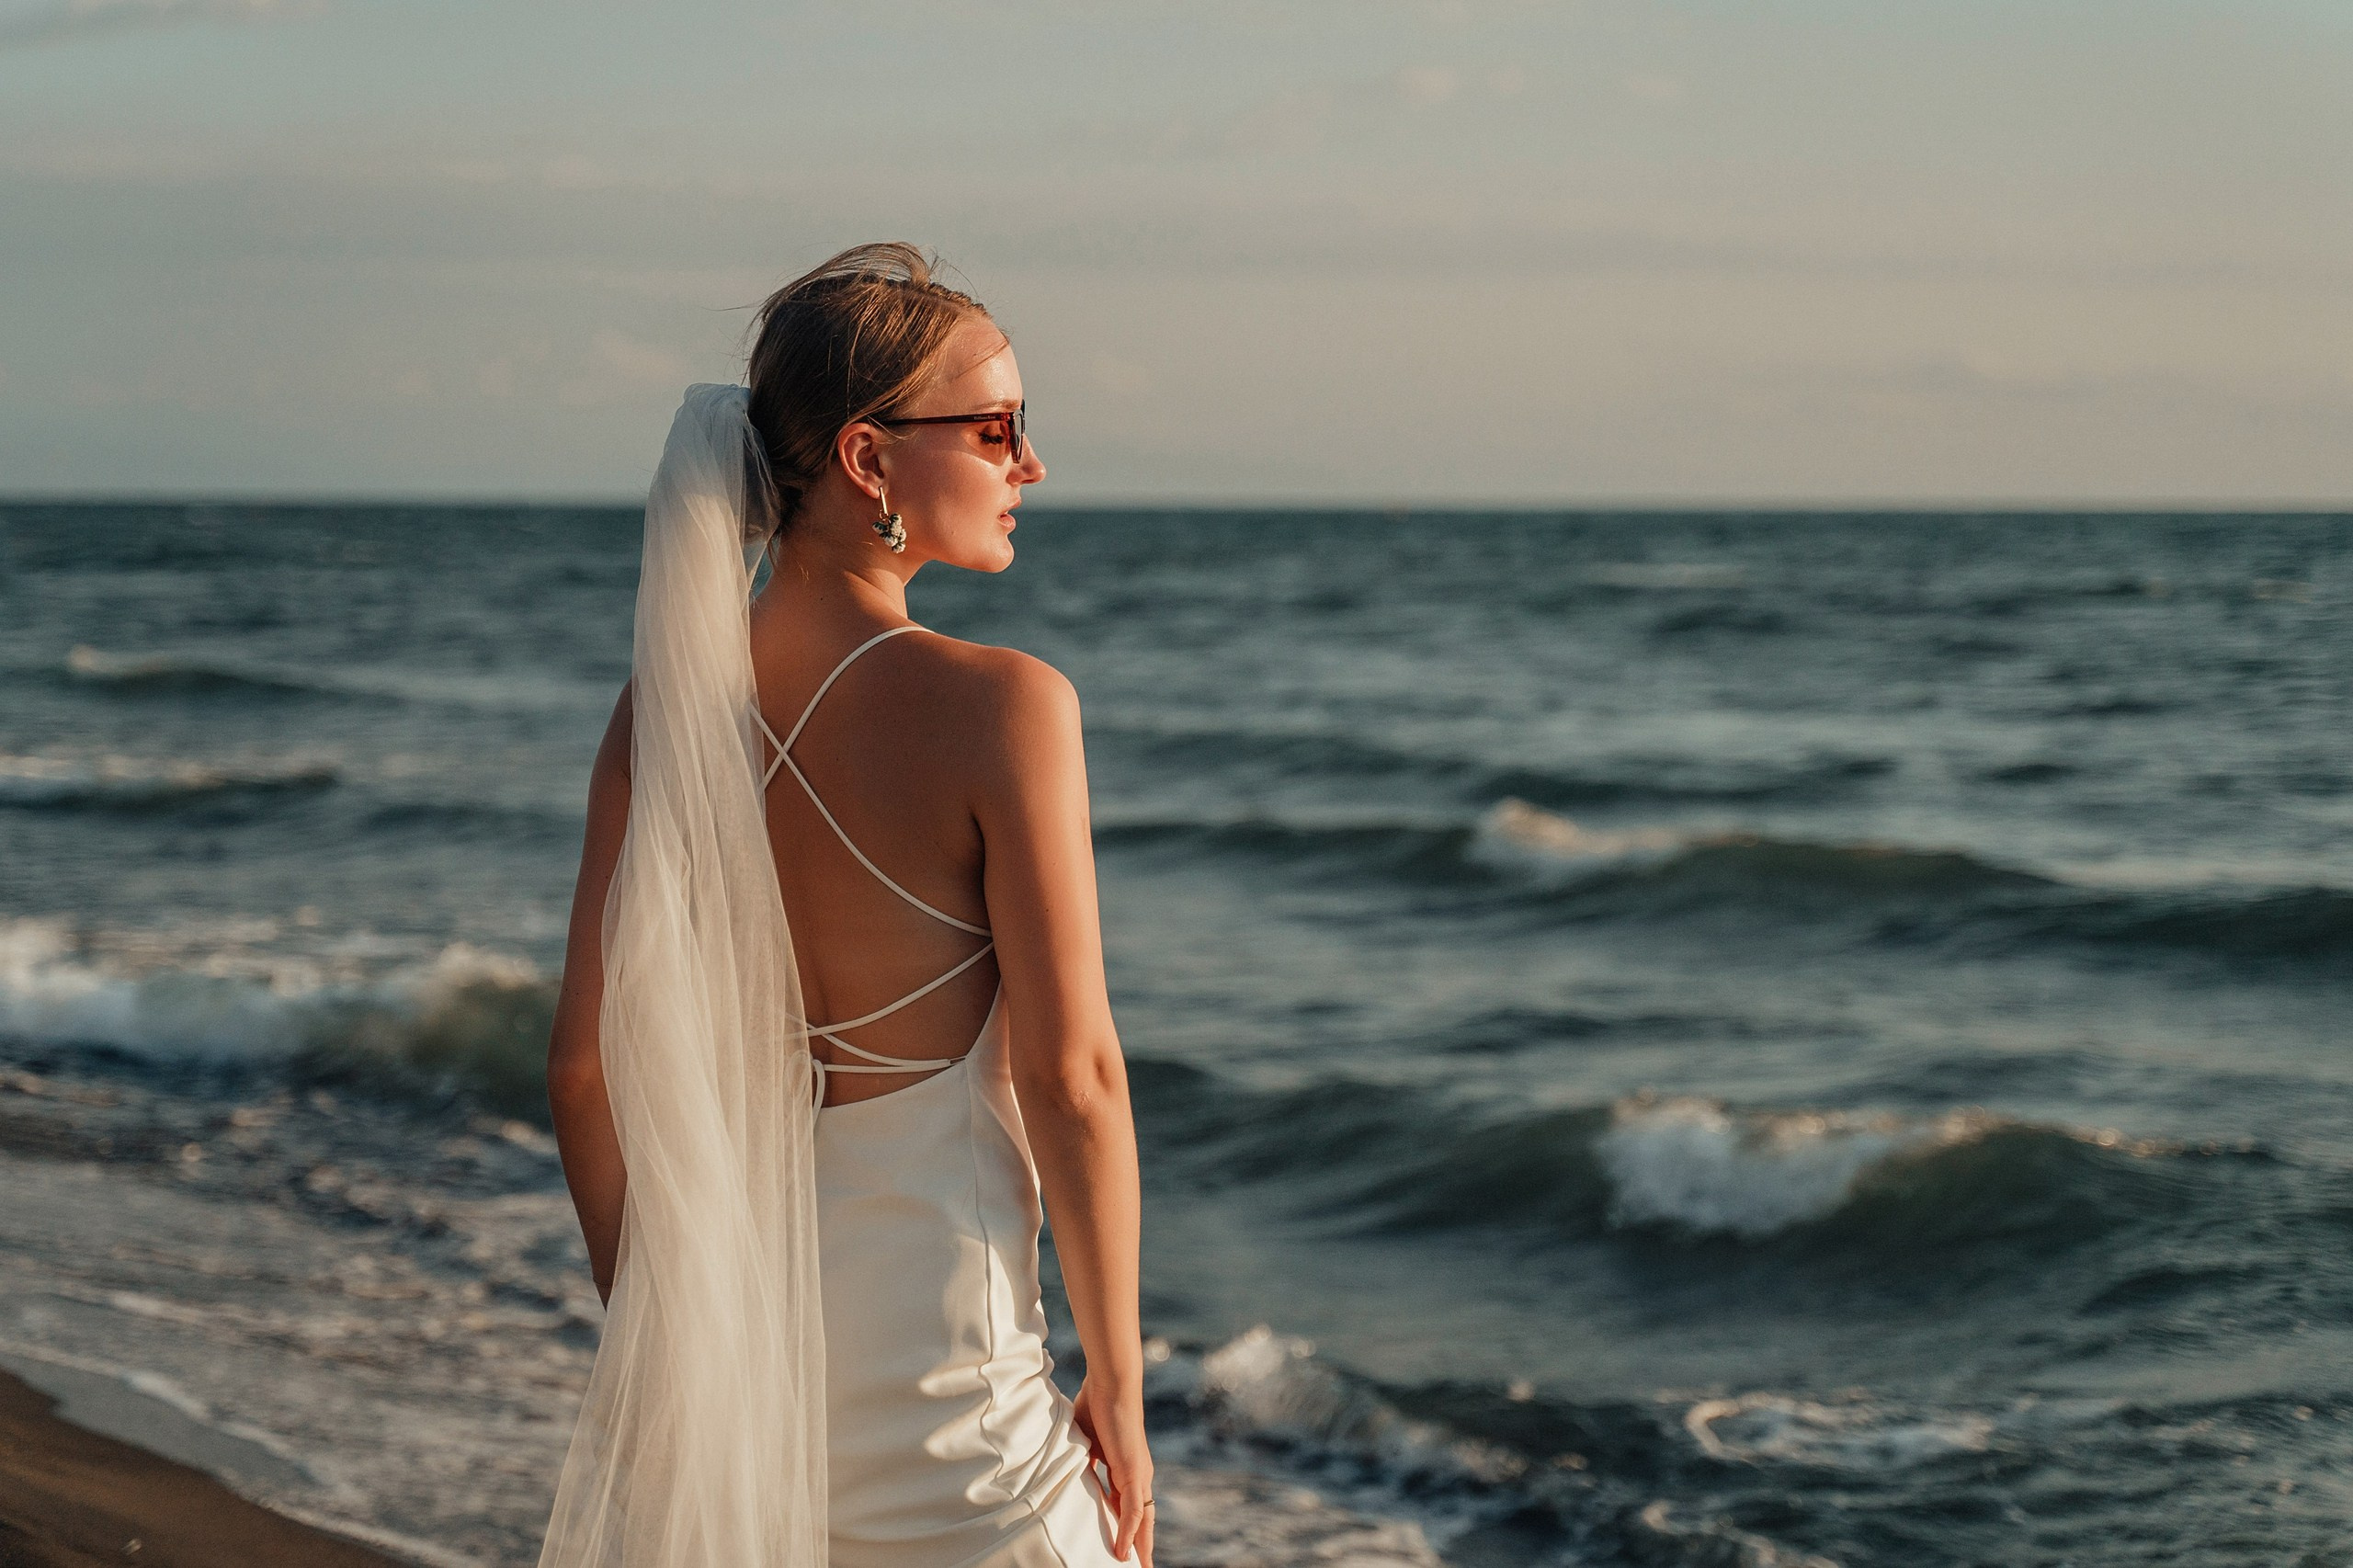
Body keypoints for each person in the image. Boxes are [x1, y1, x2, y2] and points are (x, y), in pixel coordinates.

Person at [539, 243, 1154, 1568]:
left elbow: (584, 1071)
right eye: (997, 428)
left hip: (751, 1433)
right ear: (870, 460)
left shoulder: (659, 721)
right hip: (967, 1441)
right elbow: (1074, 1076)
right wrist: (1121, 1384)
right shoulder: (1007, 706)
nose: (1028, 464)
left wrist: (675, 1346)